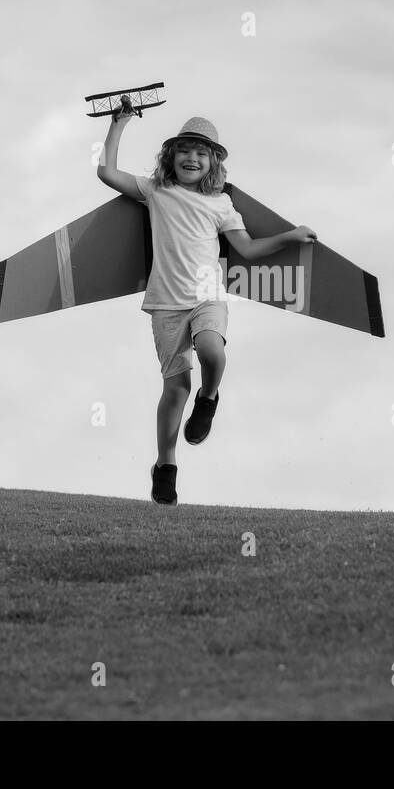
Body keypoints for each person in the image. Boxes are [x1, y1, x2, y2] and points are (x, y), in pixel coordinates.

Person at [96, 104, 316, 504]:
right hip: (165, 304)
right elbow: (107, 172)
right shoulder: (157, 191)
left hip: (207, 296)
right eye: (184, 150)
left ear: (213, 162)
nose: (191, 158)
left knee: (213, 350)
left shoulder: (221, 206)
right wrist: (118, 125)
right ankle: (165, 465)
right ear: (171, 156)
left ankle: (210, 398)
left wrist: (289, 236)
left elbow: (247, 249)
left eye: (201, 152)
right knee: (175, 389)